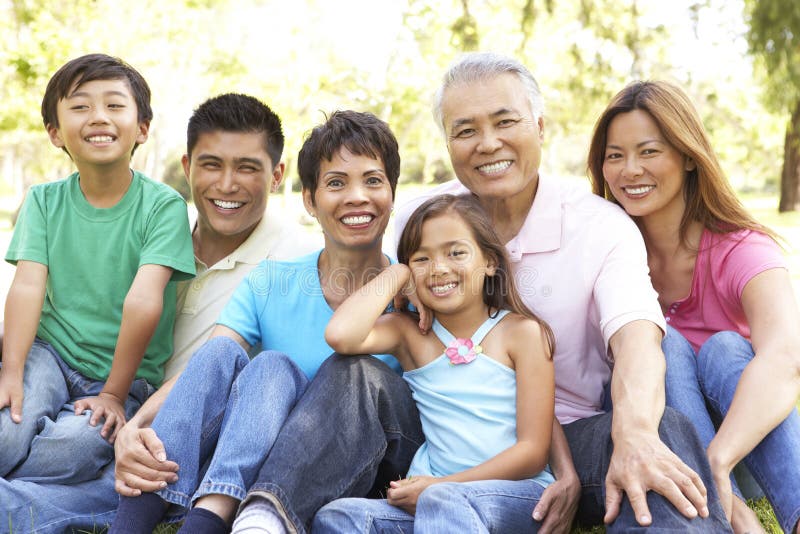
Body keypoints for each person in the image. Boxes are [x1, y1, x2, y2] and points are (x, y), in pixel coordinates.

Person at [391, 52, 734, 532]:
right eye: (465, 130)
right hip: (444, 436)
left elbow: (637, 339)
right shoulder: (417, 221)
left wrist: (633, 434)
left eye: (505, 121)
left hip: (571, 436)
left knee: (662, 433)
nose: (488, 144)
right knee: (354, 376)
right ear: (447, 141)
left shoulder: (599, 226)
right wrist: (398, 277)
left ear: (540, 127)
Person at [0, 92, 316, 533]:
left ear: (277, 174)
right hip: (96, 392)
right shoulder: (158, 230)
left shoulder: (296, 262)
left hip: (174, 435)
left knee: (121, 479)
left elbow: (269, 386)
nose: (227, 185)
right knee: (17, 420)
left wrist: (139, 425)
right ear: (187, 168)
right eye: (211, 165)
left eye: (247, 167)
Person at [110, 109, 419, 534]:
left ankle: (236, 517)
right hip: (264, 456)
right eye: (335, 183)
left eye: (372, 180)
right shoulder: (272, 281)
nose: (357, 197)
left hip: (373, 465)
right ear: (309, 200)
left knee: (351, 367)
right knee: (257, 362)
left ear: (391, 192)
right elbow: (204, 371)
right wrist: (137, 426)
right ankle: (144, 521)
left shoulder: (418, 293)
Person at [587, 80, 800, 534]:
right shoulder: (606, 250)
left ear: (687, 155)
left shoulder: (741, 248)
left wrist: (719, 461)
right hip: (656, 440)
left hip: (743, 448)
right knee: (663, 344)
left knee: (726, 347)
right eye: (615, 155)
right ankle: (734, 516)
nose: (630, 170)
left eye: (649, 151)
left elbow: (786, 358)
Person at [0, 53, 195, 487]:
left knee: (77, 447)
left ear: (142, 128)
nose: (98, 117)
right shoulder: (43, 201)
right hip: (49, 353)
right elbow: (27, 287)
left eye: (114, 105)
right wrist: (11, 372)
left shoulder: (162, 206)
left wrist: (112, 392)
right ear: (55, 132)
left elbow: (144, 301)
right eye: (81, 106)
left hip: (124, 375)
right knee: (7, 435)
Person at [313, 193, 556, 533]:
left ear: (489, 261)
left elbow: (533, 452)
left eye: (456, 253)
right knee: (340, 516)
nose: (439, 268)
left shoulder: (522, 333)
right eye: (421, 259)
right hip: (431, 500)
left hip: (517, 493)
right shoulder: (410, 334)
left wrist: (445, 486)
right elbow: (341, 334)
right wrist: (396, 274)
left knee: (443, 503)